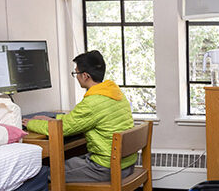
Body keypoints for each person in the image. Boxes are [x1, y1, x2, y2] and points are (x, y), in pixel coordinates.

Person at [23, 50, 136, 182]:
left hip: (105, 168)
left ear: (85, 76)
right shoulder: (114, 93)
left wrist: (29, 123)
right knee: (73, 159)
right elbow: (78, 120)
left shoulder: (92, 102)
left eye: (76, 73)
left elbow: (63, 129)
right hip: (126, 164)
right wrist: (54, 119)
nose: (76, 76)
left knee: (48, 173)